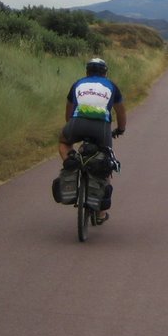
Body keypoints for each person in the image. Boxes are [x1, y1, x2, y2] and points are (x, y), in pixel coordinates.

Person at [57, 57, 126, 221]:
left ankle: (70, 163)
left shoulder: (78, 84)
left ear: (87, 72)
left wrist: (71, 127)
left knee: (64, 143)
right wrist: (120, 129)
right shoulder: (111, 86)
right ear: (105, 73)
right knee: (105, 164)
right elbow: (121, 112)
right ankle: (101, 213)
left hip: (77, 123)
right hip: (101, 128)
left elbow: (69, 109)